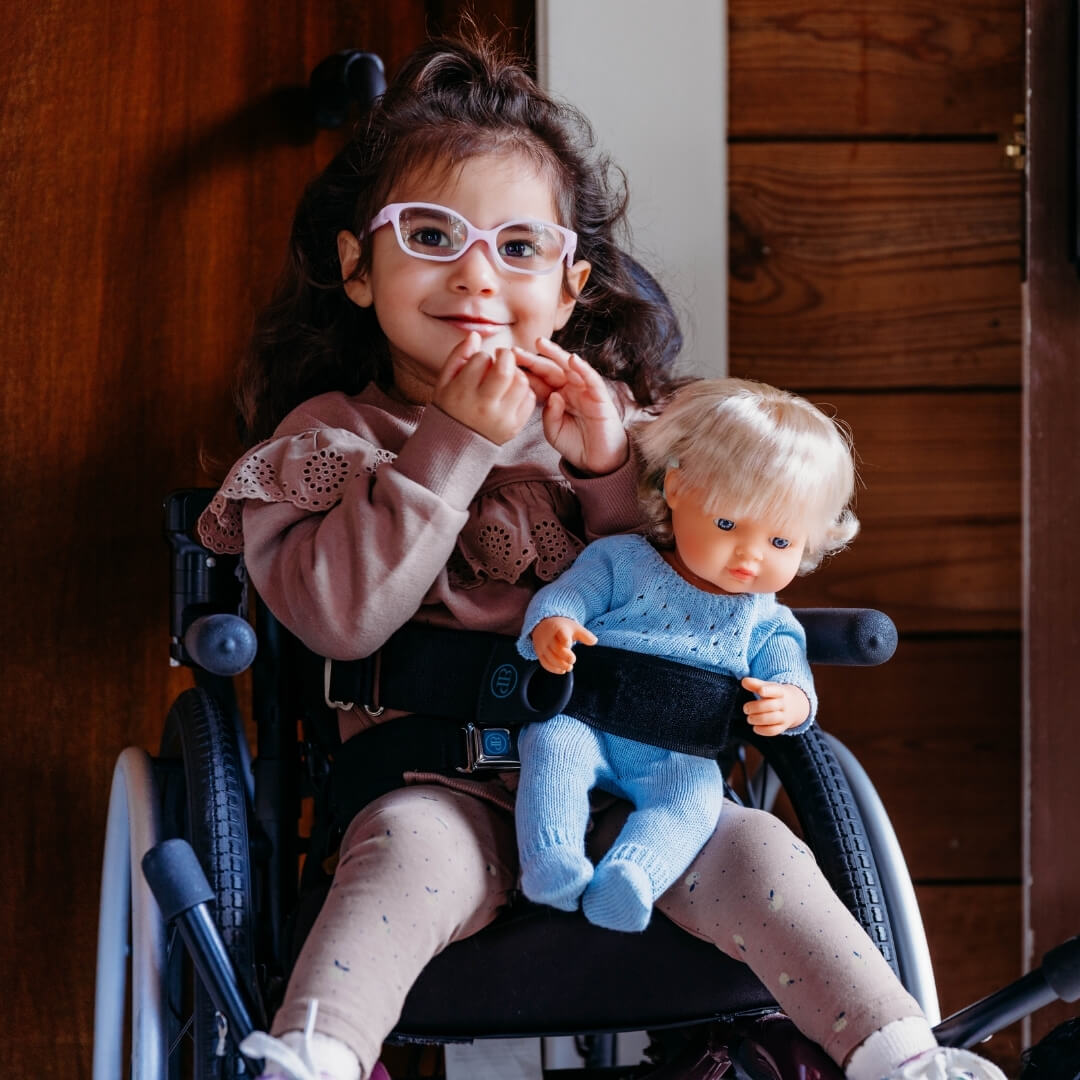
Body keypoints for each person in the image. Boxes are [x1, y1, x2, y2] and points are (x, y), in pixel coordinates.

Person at [195, 29, 1007, 1080]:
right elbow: (341, 622)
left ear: (571, 289)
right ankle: (313, 1059)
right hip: (445, 787)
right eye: (431, 236)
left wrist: (614, 475)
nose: (478, 278)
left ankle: (902, 1056)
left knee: (759, 848)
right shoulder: (332, 441)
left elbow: (682, 601)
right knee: (402, 858)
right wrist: (453, 441)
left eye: (519, 248)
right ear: (360, 267)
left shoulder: (626, 430)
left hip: (642, 789)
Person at [515, 378, 857, 935]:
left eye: (780, 542)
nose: (749, 555)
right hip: (591, 719)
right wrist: (554, 625)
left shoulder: (765, 619)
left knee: (693, 804)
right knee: (552, 749)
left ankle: (633, 877)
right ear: (676, 488)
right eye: (727, 524)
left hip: (677, 749)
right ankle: (551, 858)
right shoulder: (624, 561)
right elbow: (570, 594)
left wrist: (790, 702)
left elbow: (791, 672)